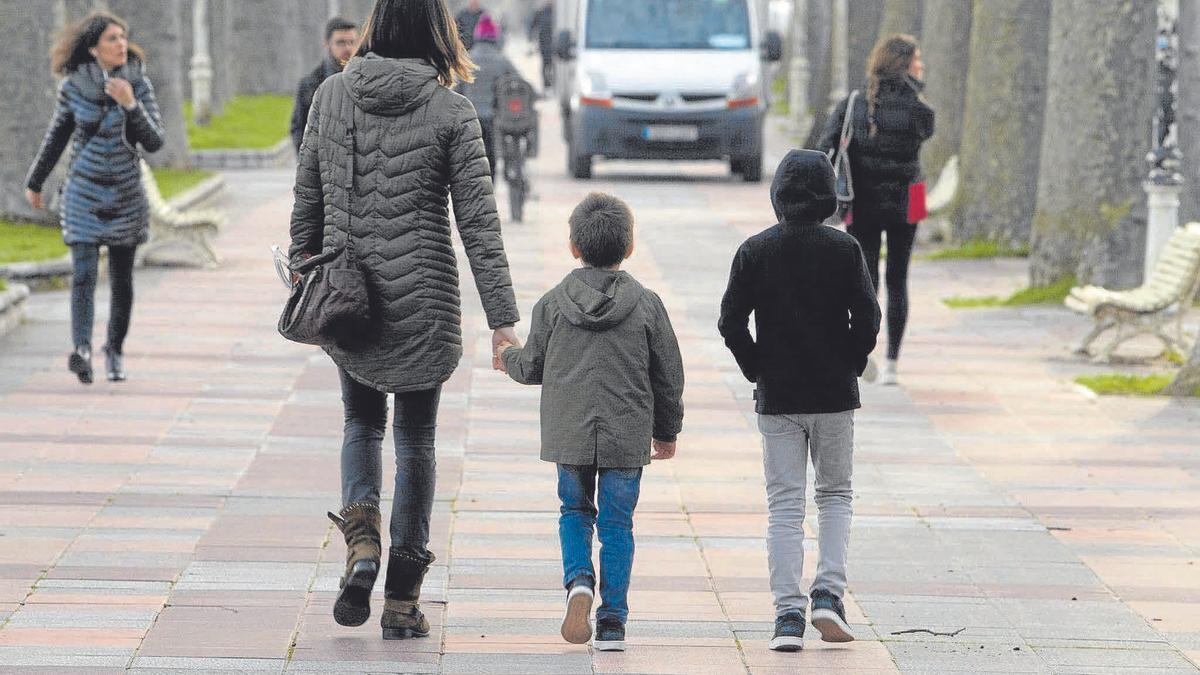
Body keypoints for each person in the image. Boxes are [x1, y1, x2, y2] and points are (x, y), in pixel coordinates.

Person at [288, 0, 521, 641]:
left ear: (375, 28)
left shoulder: (332, 96)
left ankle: (361, 540)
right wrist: (502, 317)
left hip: (349, 297)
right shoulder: (452, 110)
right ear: (439, 32)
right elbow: (478, 222)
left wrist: (306, 274)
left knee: (360, 420)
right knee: (416, 441)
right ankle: (401, 602)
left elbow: (306, 197)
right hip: (425, 299)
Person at [497, 193, 684, 652]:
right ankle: (613, 623)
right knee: (618, 524)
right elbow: (669, 374)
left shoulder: (552, 305)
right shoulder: (647, 305)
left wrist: (507, 356)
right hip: (626, 435)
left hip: (569, 436)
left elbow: (533, 367)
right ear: (630, 247)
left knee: (574, 512)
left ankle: (579, 582)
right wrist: (667, 430)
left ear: (574, 247)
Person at [718, 150, 880, 652]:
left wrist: (756, 366)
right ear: (830, 196)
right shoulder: (845, 249)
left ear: (777, 195)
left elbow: (730, 321)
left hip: (779, 395)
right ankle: (828, 593)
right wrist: (851, 362)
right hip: (833, 394)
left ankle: (787, 615)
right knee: (835, 495)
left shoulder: (754, 250)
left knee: (784, 506)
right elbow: (869, 318)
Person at [25, 11, 165, 385]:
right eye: (112, 39)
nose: (121, 44)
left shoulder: (138, 82)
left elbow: (155, 142)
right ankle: (82, 350)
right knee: (84, 273)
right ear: (93, 48)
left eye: (123, 37)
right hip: (83, 189)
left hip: (125, 191)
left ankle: (114, 350)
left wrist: (130, 104)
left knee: (122, 279)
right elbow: (56, 137)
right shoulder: (74, 86)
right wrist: (35, 182)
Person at [819, 34, 933, 386]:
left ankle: (860, 353)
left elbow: (826, 145)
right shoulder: (919, 108)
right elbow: (926, 130)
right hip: (908, 198)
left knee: (864, 279)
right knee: (898, 279)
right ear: (905, 64)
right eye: (917, 60)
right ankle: (893, 363)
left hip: (860, 200)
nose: (922, 65)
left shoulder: (854, 103)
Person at [455, 14, 517, 180]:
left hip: (470, 118)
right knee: (491, 155)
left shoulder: (467, 59)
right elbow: (519, 83)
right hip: (494, 118)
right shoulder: (502, 60)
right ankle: (492, 184)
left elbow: (455, 89)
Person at [290, 16, 359, 153]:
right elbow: (299, 130)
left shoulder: (367, 80)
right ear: (327, 44)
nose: (348, 48)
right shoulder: (310, 85)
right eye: (341, 42)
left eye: (352, 42)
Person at [527, 1, 554, 90]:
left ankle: (552, 84)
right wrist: (531, 39)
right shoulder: (540, 12)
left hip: (555, 44)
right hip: (544, 43)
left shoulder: (557, 13)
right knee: (545, 65)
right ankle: (546, 85)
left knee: (554, 65)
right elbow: (532, 26)